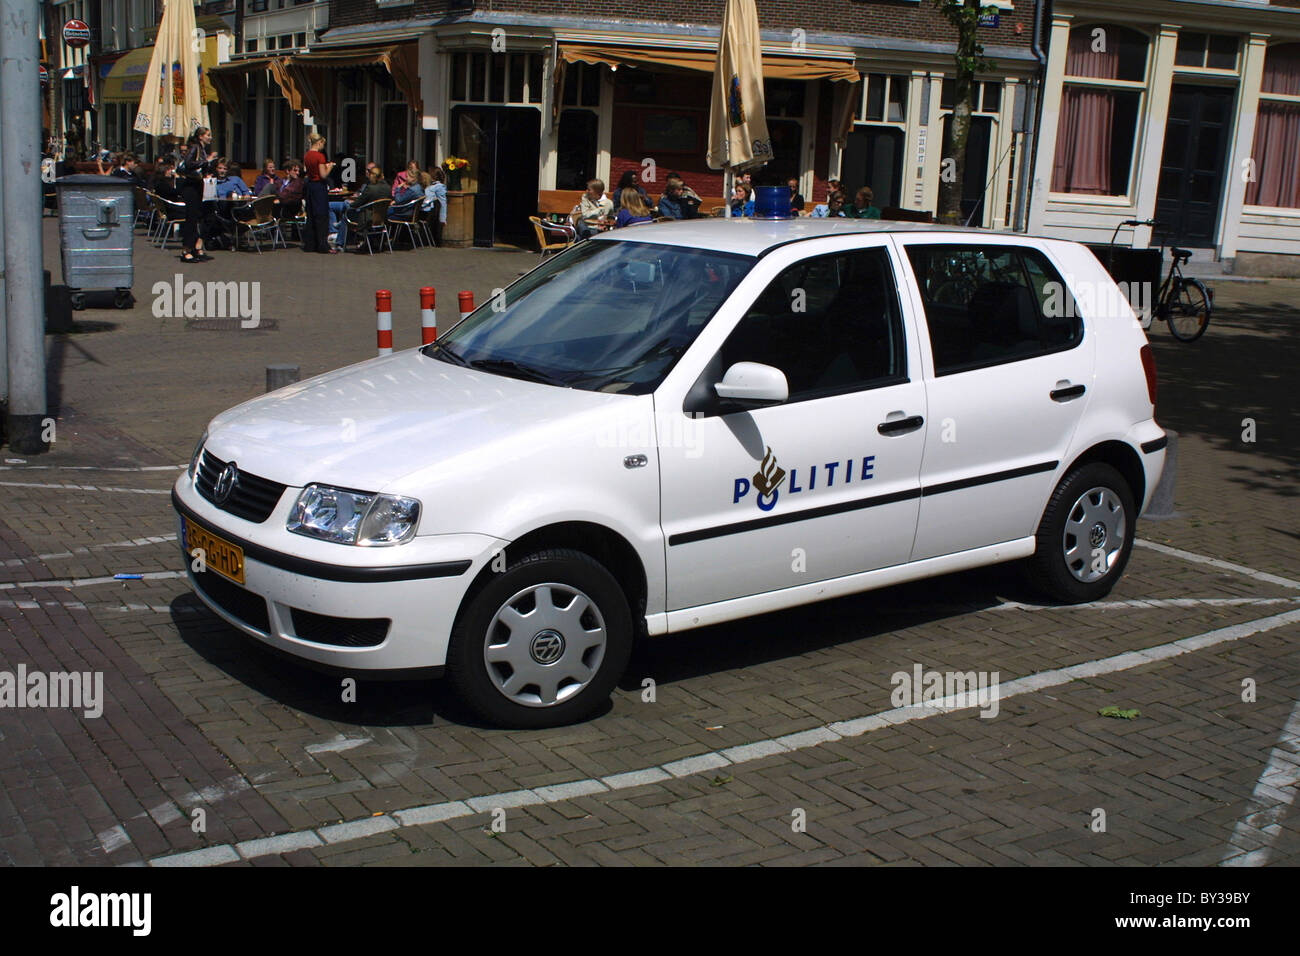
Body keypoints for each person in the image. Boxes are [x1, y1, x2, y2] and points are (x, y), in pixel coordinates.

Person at [177, 126, 217, 263]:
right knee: (191, 218)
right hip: (191, 187)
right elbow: (189, 163)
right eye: (208, 135)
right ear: (200, 136)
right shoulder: (195, 147)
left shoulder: (202, 149)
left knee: (203, 215)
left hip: (199, 185)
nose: (210, 137)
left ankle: (196, 247)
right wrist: (207, 161)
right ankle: (186, 250)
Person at [336, 164, 389, 252]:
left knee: (346, 215)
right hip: (381, 218)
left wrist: (351, 204)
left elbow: (358, 203)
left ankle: (340, 243)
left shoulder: (370, 188)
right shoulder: (387, 188)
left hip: (367, 218)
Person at [301, 133, 335, 254]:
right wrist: (329, 167)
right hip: (319, 186)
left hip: (310, 186)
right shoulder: (320, 156)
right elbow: (323, 175)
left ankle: (310, 244)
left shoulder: (307, 155)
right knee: (321, 215)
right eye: (322, 144)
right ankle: (322, 245)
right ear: (319, 143)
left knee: (311, 215)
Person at [423, 166, 447, 246]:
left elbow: (443, 203)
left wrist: (442, 219)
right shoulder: (428, 185)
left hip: (430, 211)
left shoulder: (439, 187)